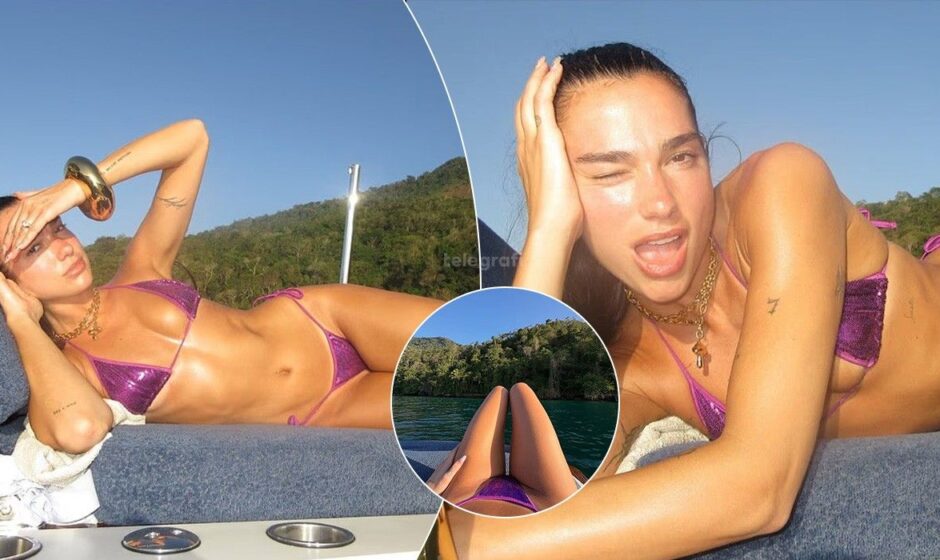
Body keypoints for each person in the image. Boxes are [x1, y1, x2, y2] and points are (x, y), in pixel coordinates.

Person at [445, 43, 940, 558]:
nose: (661, 203)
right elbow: (528, 485)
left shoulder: (782, 182)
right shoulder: (632, 366)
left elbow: (760, 489)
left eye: (680, 157)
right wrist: (547, 230)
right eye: (610, 172)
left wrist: (464, 546)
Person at [0, 119, 443, 455]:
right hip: (327, 408)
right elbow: (78, 430)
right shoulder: (73, 368)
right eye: (33, 247)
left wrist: (72, 189)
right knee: (467, 407)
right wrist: (21, 320)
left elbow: (191, 139)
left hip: (324, 319)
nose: (63, 247)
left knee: (469, 338)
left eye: (58, 227)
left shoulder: (139, 271)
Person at [425, 383, 578, 517]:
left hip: (464, 497)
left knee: (499, 392)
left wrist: (428, 492)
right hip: (550, 506)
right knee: (520, 389)